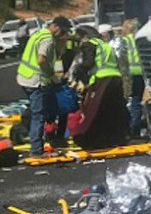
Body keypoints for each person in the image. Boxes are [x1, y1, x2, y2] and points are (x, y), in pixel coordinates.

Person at [16, 16, 72, 156]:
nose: (63, 35)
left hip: (24, 77)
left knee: (38, 110)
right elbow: (41, 59)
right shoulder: (47, 39)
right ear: (57, 27)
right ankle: (36, 149)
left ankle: (32, 134)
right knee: (38, 115)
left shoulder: (38, 34)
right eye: (63, 31)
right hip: (36, 80)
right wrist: (50, 72)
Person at [71, 25, 128, 150]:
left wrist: (77, 72)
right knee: (113, 111)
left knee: (94, 111)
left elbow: (88, 63)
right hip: (115, 78)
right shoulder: (105, 45)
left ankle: (90, 139)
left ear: (85, 36)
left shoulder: (89, 44)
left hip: (101, 79)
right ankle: (117, 138)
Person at [115, 19, 146, 138]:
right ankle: (136, 128)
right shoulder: (140, 40)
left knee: (127, 100)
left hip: (128, 74)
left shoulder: (124, 40)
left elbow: (121, 59)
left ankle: (129, 128)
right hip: (140, 73)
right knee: (137, 100)